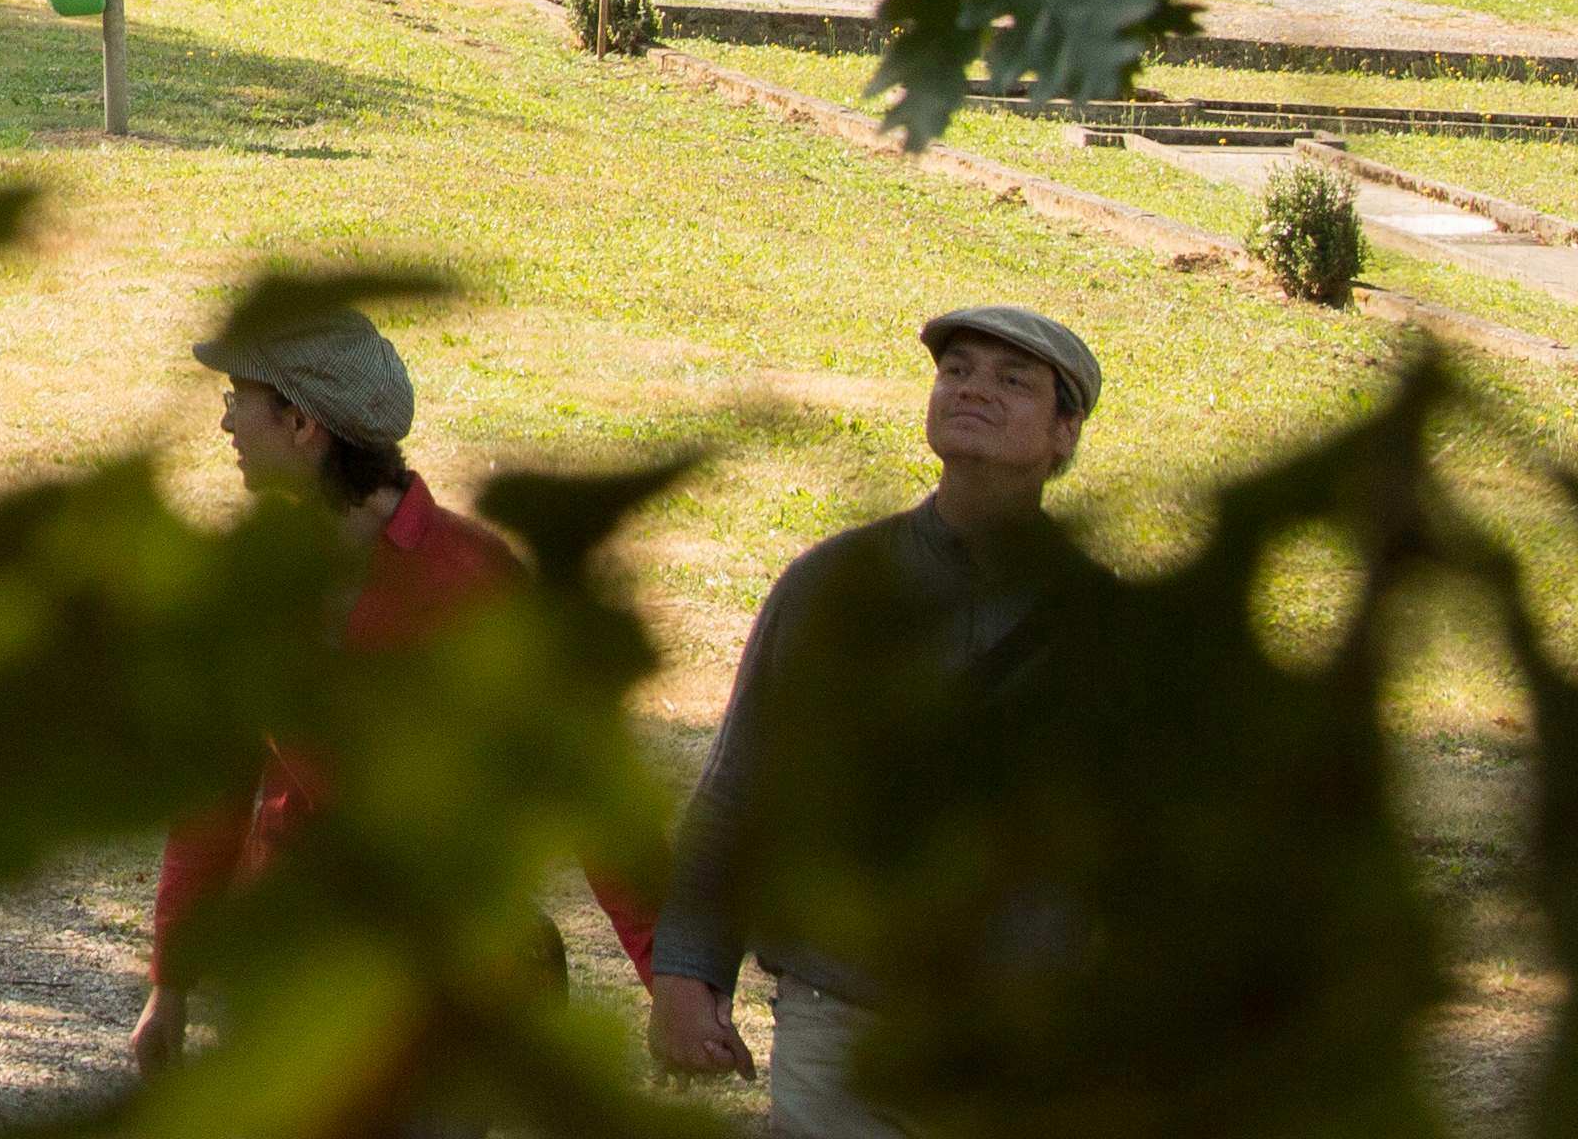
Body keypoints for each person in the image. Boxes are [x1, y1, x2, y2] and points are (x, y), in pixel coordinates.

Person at [135, 306, 661, 1078]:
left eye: (237, 399)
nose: (225, 424)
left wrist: (671, 980)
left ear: (302, 423)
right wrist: (170, 982)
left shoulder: (476, 582)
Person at [646, 306, 1103, 1138]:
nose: (973, 390)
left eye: (1013, 381)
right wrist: (685, 972)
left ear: (1064, 433)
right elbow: (738, 790)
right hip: (838, 1022)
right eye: (957, 369)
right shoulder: (831, 587)